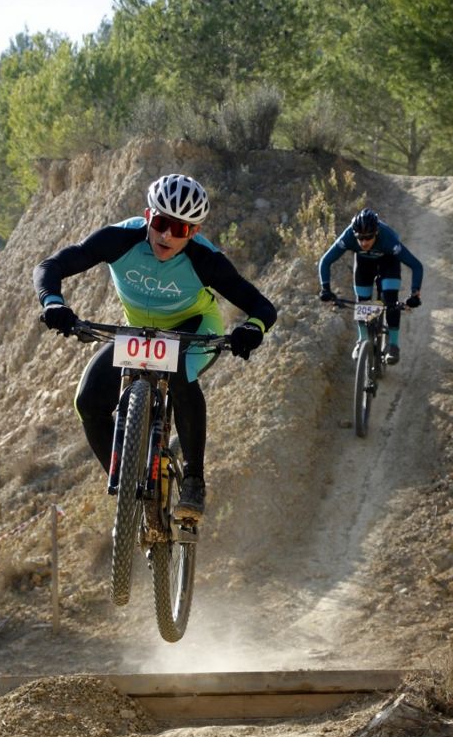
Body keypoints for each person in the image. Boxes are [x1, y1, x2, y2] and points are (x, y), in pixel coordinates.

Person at [33, 173, 278, 522]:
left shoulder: (205, 259)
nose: (167, 236)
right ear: (148, 216)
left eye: (179, 229)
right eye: (161, 223)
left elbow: (262, 307)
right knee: (88, 402)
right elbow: (51, 266)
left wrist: (252, 329)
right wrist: (53, 303)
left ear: (194, 232)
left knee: (176, 372)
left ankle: (194, 481)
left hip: (194, 329)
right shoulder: (120, 239)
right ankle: (126, 483)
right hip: (139, 334)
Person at [318, 207, 422, 364]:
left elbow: (416, 266)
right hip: (364, 264)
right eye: (360, 238)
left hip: (388, 262)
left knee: (391, 301)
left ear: (376, 233)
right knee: (363, 302)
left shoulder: (388, 239)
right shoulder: (348, 236)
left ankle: (393, 345)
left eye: (368, 238)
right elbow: (325, 261)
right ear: (355, 234)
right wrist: (325, 288)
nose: (364, 242)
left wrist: (415, 293)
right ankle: (362, 340)